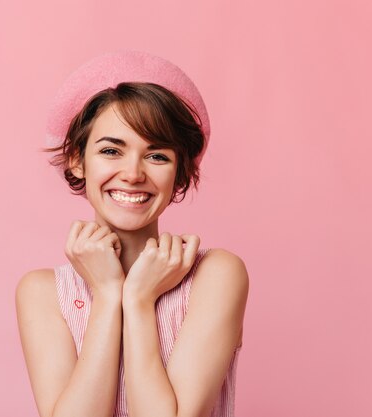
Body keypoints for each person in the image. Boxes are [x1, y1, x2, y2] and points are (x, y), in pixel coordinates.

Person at [15, 51, 249, 417]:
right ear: (78, 159)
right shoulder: (43, 293)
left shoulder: (216, 275)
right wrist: (109, 294)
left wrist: (138, 300)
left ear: (180, 173)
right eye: (111, 150)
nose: (133, 173)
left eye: (157, 156)